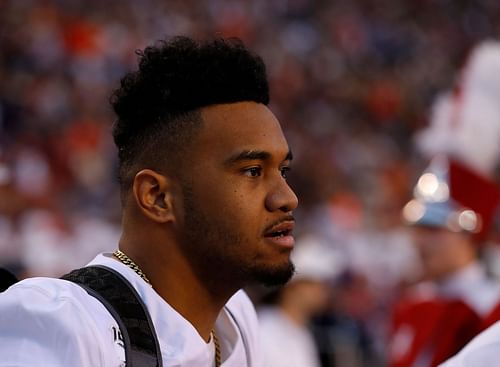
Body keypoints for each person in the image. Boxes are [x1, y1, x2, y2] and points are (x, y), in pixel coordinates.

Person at [0, 36, 299, 366]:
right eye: (253, 171)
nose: (287, 197)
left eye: (283, 170)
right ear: (157, 197)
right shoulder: (63, 322)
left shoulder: (235, 319)